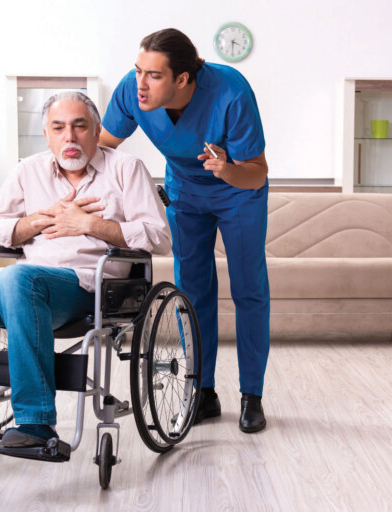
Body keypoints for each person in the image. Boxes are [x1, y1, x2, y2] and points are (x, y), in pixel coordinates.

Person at [0, 91, 171, 456]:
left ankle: (36, 423)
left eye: (79, 126)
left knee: (18, 278)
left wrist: (90, 224)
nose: (69, 137)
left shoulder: (126, 169)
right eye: (59, 127)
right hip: (20, 289)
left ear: (96, 129)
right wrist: (38, 220)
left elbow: (158, 236)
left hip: (88, 288)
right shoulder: (28, 171)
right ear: (46, 134)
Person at [100, 28, 270, 433]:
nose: (141, 83)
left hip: (237, 192)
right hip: (186, 194)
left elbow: (257, 173)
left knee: (248, 290)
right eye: (138, 70)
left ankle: (252, 396)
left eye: (153, 75)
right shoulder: (132, 92)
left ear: (182, 79)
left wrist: (226, 169)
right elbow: (102, 148)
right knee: (192, 293)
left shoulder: (231, 92)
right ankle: (202, 391)